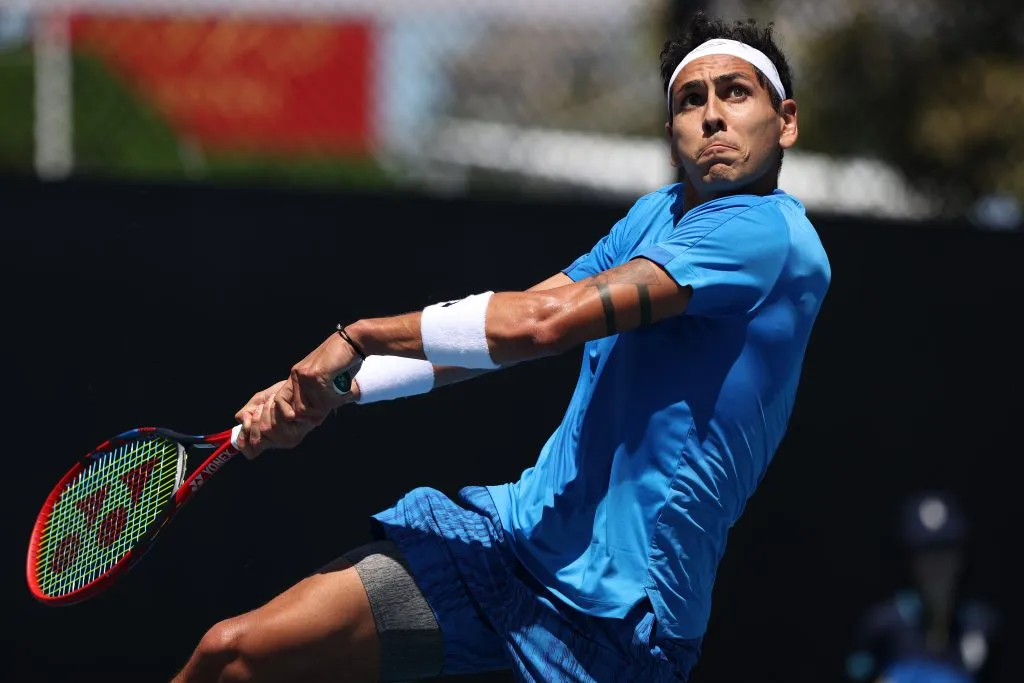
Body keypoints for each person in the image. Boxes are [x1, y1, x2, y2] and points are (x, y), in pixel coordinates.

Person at [172, 11, 831, 683]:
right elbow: (499, 336)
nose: (713, 116)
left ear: (785, 121)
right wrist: (341, 390)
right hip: (506, 546)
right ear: (672, 137)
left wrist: (358, 338)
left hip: (616, 629)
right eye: (692, 100)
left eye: (735, 93)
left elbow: (543, 323)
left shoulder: (770, 239)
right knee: (234, 655)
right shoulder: (655, 216)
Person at [845, 491, 1001, 683]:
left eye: (945, 551)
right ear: (910, 561)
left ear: (961, 558)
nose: (937, 566)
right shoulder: (881, 628)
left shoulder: (981, 625)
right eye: (926, 554)